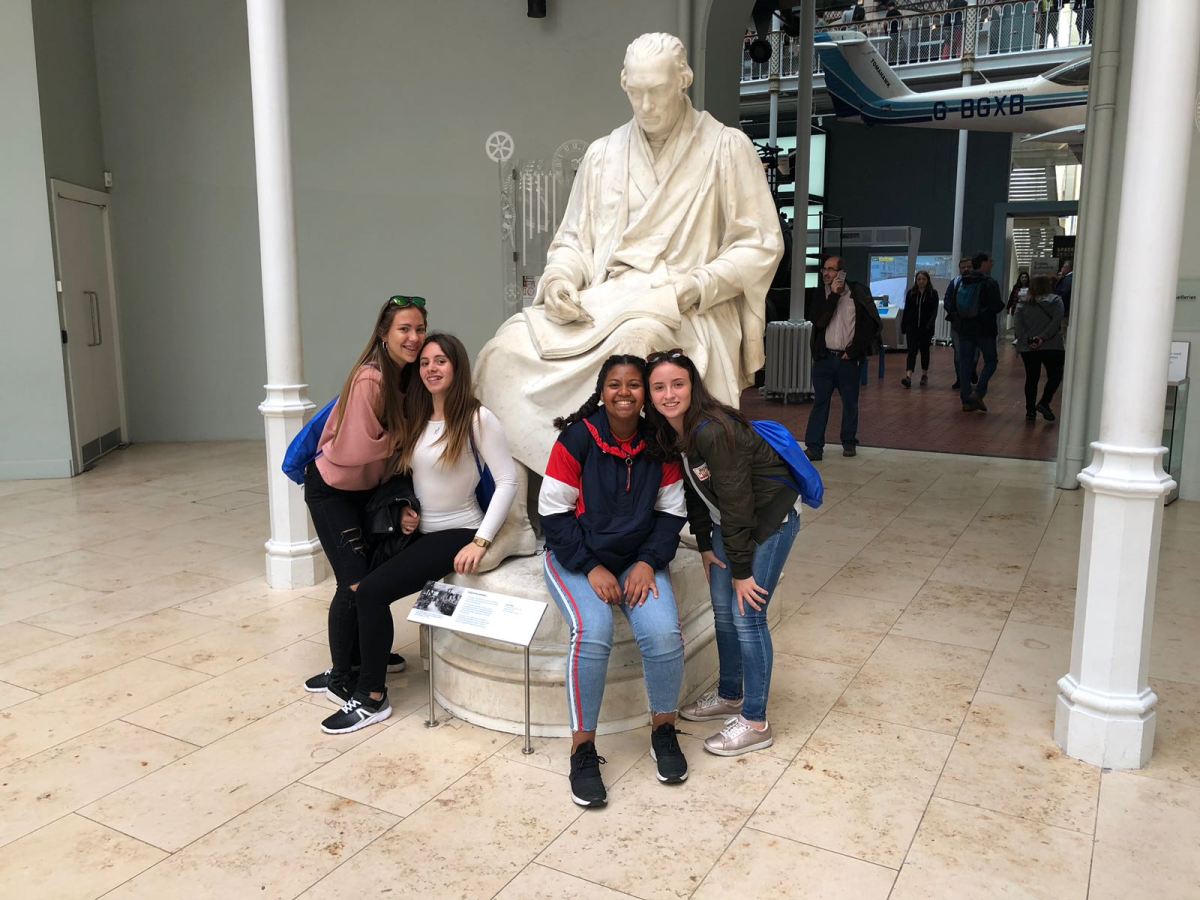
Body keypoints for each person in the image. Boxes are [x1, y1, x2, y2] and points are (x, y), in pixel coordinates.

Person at [474, 32, 783, 475]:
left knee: (631, 352)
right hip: (606, 298)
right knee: (503, 348)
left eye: (657, 91)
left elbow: (759, 243)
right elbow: (574, 241)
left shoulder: (725, 148)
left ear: (683, 81)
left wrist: (695, 286)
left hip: (682, 302)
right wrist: (560, 278)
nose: (646, 105)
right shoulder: (603, 155)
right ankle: (521, 500)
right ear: (624, 84)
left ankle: (610, 486)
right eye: (636, 93)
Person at [320, 333, 519, 734]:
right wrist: (405, 510)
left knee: (372, 592)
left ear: (457, 367)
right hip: (418, 533)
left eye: (440, 361)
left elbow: (508, 480)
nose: (431, 368)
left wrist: (481, 541)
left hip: (457, 531)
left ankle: (371, 697)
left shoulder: (477, 418)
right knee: (359, 584)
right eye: (425, 362)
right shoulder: (416, 416)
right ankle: (354, 669)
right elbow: (410, 476)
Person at [539, 355, 688, 807]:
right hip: (576, 556)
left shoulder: (658, 442)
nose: (624, 393)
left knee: (663, 633)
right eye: (614, 384)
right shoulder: (578, 439)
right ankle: (583, 750)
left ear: (645, 395)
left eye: (634, 385)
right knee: (594, 630)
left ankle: (664, 730)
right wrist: (590, 566)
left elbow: (671, 512)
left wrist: (647, 562)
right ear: (601, 392)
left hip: (636, 558)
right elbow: (553, 513)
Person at [645, 350, 801, 758]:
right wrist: (703, 544)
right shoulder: (674, 431)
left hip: (768, 522)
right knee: (722, 612)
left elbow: (738, 503)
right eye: (659, 387)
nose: (669, 394)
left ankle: (755, 722)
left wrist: (742, 571)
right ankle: (731, 694)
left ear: (692, 386)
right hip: (728, 526)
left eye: (677, 384)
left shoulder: (712, 430)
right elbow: (694, 492)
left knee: (747, 617)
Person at [302, 295, 427, 704]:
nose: (413, 337)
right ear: (384, 334)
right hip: (332, 491)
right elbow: (353, 449)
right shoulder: (370, 379)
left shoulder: (407, 379)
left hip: (365, 493)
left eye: (419, 329)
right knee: (354, 583)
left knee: (369, 580)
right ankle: (342, 675)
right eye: (404, 329)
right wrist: (406, 438)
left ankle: (361, 655)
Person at [803, 255, 881, 460]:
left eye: (831, 269)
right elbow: (819, 322)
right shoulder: (820, 294)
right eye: (824, 269)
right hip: (824, 358)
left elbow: (870, 325)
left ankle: (849, 442)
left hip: (848, 360)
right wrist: (834, 296)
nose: (826, 273)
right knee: (820, 403)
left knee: (850, 403)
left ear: (842, 273)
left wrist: (855, 350)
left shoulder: (858, 293)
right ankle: (814, 447)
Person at [946, 252, 1005, 413]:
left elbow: (952, 304)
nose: (992, 263)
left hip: (965, 329)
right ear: (983, 263)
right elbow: (996, 306)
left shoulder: (962, 281)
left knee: (965, 363)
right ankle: (978, 393)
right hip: (985, 329)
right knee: (991, 361)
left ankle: (966, 400)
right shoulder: (989, 282)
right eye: (990, 261)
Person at [1015, 274, 1066, 421]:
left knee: (1032, 378)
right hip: (1052, 345)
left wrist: (1029, 340)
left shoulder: (1022, 303)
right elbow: (1056, 322)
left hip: (1029, 348)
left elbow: (1018, 326)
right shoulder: (1056, 301)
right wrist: (1042, 338)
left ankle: (1030, 411)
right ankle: (1044, 401)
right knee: (1055, 375)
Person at [900, 271, 939, 388]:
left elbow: (934, 311)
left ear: (928, 280)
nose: (921, 281)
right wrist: (904, 325)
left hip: (926, 329)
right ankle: (908, 376)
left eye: (923, 279)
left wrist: (929, 325)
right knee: (911, 351)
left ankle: (924, 375)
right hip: (912, 328)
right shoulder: (911, 293)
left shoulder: (933, 294)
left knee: (924, 351)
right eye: (919, 279)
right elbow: (906, 310)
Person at [944, 257, 976, 390]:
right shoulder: (955, 282)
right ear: (959, 269)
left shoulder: (980, 283)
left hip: (975, 325)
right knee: (958, 353)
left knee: (974, 354)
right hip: (957, 324)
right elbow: (947, 299)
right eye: (963, 267)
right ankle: (961, 379)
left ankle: (970, 372)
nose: (966, 269)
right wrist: (954, 314)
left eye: (969, 266)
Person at [1056, 259, 1073, 324]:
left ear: (1067, 268)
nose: (1061, 269)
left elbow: (1065, 294)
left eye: (1063, 267)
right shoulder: (1068, 278)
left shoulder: (1068, 279)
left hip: (1064, 310)